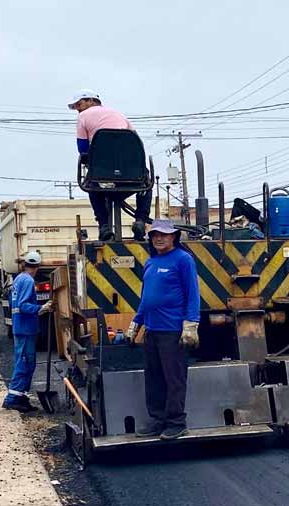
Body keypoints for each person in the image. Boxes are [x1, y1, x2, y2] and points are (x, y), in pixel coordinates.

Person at [127, 218, 200, 440]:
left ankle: (177, 422)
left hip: (172, 331)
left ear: (174, 237)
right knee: (154, 378)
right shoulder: (150, 262)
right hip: (152, 330)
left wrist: (191, 324)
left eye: (165, 234)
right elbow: (146, 298)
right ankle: (158, 420)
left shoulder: (183, 260)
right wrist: (136, 323)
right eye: (155, 234)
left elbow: (193, 294)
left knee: (174, 378)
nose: (159, 238)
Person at [69, 89, 153, 241]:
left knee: (91, 184)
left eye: (79, 104)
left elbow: (82, 149)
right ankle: (140, 220)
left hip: (102, 175)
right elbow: (135, 142)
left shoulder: (83, 117)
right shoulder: (119, 114)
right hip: (131, 175)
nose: (78, 109)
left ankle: (104, 225)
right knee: (146, 182)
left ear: (91, 101)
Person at [3, 251, 51, 412]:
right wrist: (41, 308)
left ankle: (21, 396)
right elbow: (23, 306)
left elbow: (13, 303)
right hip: (26, 327)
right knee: (24, 363)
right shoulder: (28, 281)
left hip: (21, 326)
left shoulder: (18, 279)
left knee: (27, 363)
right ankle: (12, 398)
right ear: (38, 266)